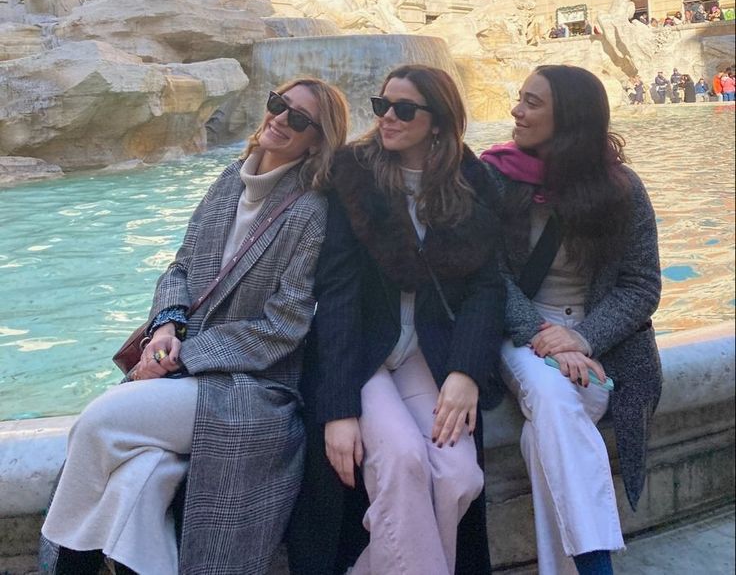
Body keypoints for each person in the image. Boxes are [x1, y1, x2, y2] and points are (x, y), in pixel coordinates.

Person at [41, 79, 350, 575]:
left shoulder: (311, 211)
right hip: (181, 367)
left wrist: (185, 356)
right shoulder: (229, 181)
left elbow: (285, 324)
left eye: (298, 118)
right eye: (278, 105)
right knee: (137, 481)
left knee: (99, 423)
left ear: (317, 139)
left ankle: (56, 563)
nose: (279, 119)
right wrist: (164, 329)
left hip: (249, 388)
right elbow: (180, 268)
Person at [290, 64, 505, 575]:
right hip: (363, 352)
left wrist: (466, 371)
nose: (387, 116)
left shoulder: (471, 182)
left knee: (457, 477)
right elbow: (337, 294)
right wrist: (338, 407)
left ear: (438, 122)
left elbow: (487, 285)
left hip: (424, 352)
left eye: (403, 109)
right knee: (404, 461)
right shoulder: (354, 175)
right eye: (381, 105)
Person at [480, 65, 662, 575]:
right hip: (523, 332)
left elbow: (641, 285)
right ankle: (596, 567)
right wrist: (544, 335)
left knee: (546, 428)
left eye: (532, 102)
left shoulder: (623, 189)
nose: (516, 110)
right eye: (520, 98)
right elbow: (487, 275)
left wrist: (581, 336)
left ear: (571, 117)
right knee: (556, 395)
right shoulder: (493, 176)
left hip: (597, 345)